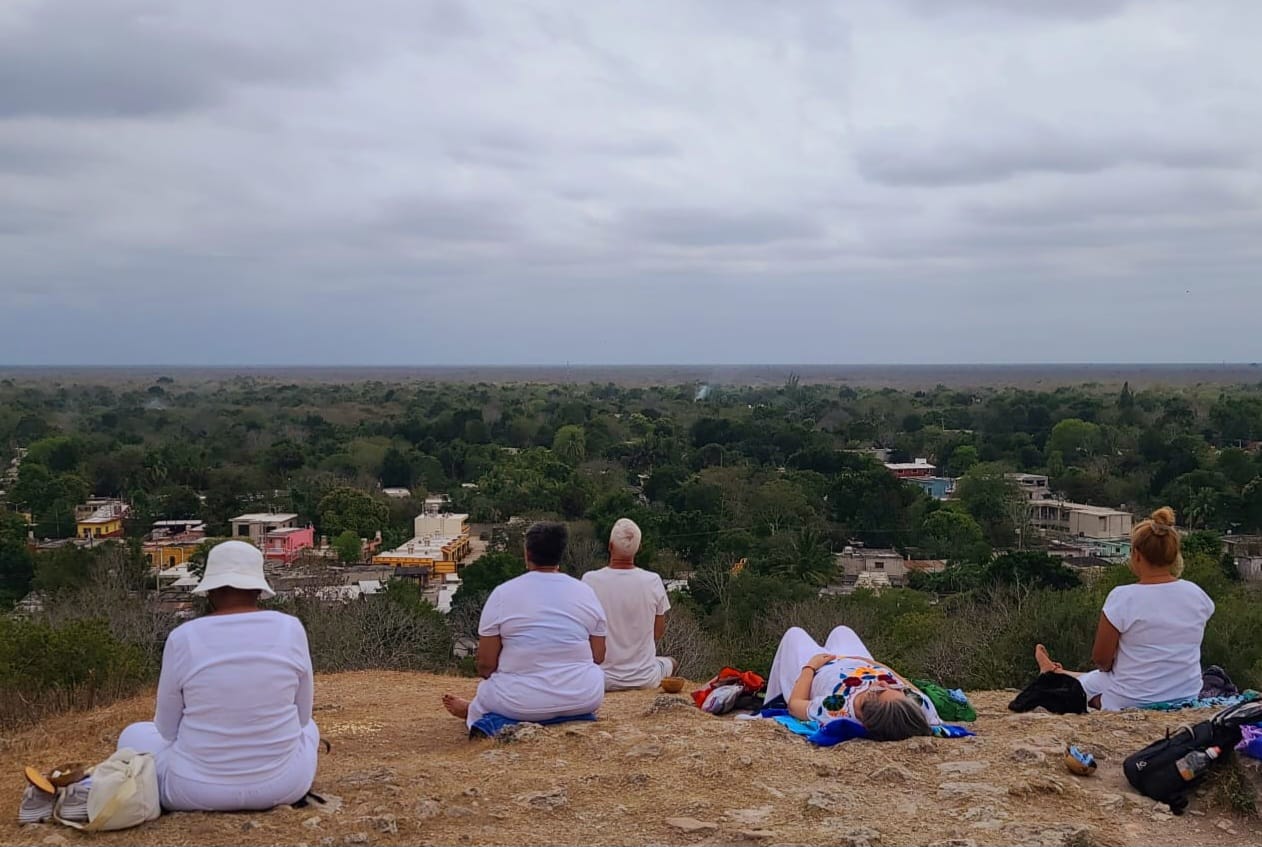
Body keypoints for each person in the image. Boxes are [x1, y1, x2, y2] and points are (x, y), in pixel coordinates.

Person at [116, 541, 319, 811]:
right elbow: (302, 716)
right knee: (311, 728)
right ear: (259, 588)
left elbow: (166, 730)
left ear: (210, 590)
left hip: (195, 791)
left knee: (133, 734)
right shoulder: (290, 628)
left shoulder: (183, 638)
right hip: (284, 785)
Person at [1034, 507, 1214, 710]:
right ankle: (1057, 672)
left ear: (1136, 555)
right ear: (1173, 555)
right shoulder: (1197, 594)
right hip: (1186, 693)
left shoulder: (1123, 597)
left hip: (1132, 699)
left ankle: (1052, 676)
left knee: (1084, 688)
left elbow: (1102, 660)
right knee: (1100, 678)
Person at [442, 522, 607, 729]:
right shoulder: (586, 593)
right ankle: (559, 714)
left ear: (527, 554)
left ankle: (476, 711)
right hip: (583, 697)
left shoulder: (503, 594)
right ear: (560, 554)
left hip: (520, 702)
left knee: (487, 689)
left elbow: (485, 666)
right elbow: (598, 656)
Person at [765, 625, 940, 741]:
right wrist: (878, 665)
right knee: (842, 631)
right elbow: (909, 686)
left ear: (866, 705)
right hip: (860, 663)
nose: (886, 684)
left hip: (823, 668)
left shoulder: (838, 709)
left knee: (794, 634)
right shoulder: (912, 706)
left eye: (880, 689)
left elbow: (795, 705)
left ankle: (770, 699)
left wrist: (810, 666)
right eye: (898, 689)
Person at [581, 518, 675, 691]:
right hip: (645, 678)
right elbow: (658, 632)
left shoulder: (589, 580)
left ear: (610, 546)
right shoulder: (653, 581)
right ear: (639, 548)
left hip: (602, 678)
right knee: (671, 662)